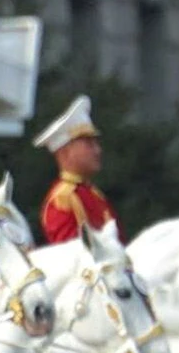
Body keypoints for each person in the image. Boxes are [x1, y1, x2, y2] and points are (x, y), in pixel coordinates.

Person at [35, 94, 121, 244]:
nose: (97, 150)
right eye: (89, 144)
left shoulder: (94, 194)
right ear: (65, 153)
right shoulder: (63, 199)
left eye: (96, 143)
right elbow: (71, 257)